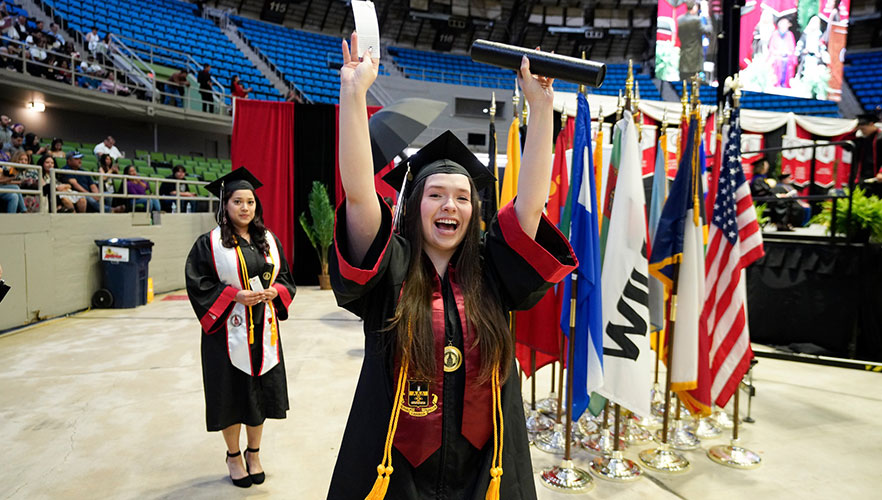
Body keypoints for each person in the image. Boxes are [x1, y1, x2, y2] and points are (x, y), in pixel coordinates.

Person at [329, 33, 576, 499]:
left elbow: (530, 204)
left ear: (474, 210)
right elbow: (360, 193)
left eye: (463, 197)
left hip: (485, 467)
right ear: (416, 204)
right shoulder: (392, 267)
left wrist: (541, 111)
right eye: (437, 195)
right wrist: (354, 94)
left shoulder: (493, 269)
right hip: (395, 466)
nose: (451, 206)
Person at [184, 167, 296, 489]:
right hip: (226, 333)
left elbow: (286, 278)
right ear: (225, 205)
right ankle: (233, 456)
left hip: (265, 331)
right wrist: (234, 295)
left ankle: (254, 453)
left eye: (250, 201)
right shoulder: (210, 244)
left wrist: (277, 292)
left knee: (259, 393)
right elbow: (198, 284)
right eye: (237, 201)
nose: (245, 208)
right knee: (230, 394)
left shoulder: (269, 240)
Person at [677, 1, 710, 82]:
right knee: (695, 87)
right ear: (694, 7)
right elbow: (708, 31)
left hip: (683, 58)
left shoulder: (679, 20)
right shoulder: (696, 20)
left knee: (683, 86)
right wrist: (707, 17)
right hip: (695, 61)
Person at [853, 112, 882, 197]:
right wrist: (853, 130)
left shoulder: (880, 138)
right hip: (864, 180)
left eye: (863, 129)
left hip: (879, 180)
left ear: (871, 124)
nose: (862, 131)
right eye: (860, 129)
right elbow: (842, 141)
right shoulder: (862, 140)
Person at [769, 16, 797, 88]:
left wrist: (787, 53)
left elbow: (792, 48)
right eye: (783, 23)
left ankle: (786, 82)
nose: (785, 25)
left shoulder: (790, 34)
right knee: (777, 60)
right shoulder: (775, 34)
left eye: (786, 24)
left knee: (787, 60)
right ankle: (776, 82)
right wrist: (778, 52)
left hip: (787, 55)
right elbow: (771, 47)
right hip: (776, 55)